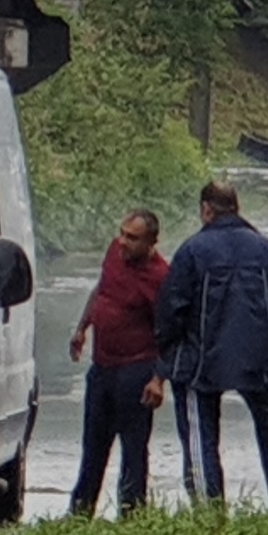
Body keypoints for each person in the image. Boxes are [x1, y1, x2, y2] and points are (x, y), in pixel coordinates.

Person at [157, 179, 268, 507]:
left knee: (200, 435)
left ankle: (210, 513)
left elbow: (170, 310)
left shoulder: (192, 250)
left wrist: (171, 358)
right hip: (257, 359)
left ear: (206, 210)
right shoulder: (266, 249)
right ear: (237, 208)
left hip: (201, 360)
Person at [66, 208, 170, 517]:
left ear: (152, 242)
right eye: (122, 233)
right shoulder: (114, 252)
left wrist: (158, 379)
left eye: (132, 238)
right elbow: (101, 289)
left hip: (136, 372)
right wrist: (82, 327)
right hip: (102, 368)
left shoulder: (160, 277)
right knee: (93, 448)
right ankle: (79, 515)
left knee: (133, 452)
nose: (123, 242)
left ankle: (132, 517)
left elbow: (169, 332)